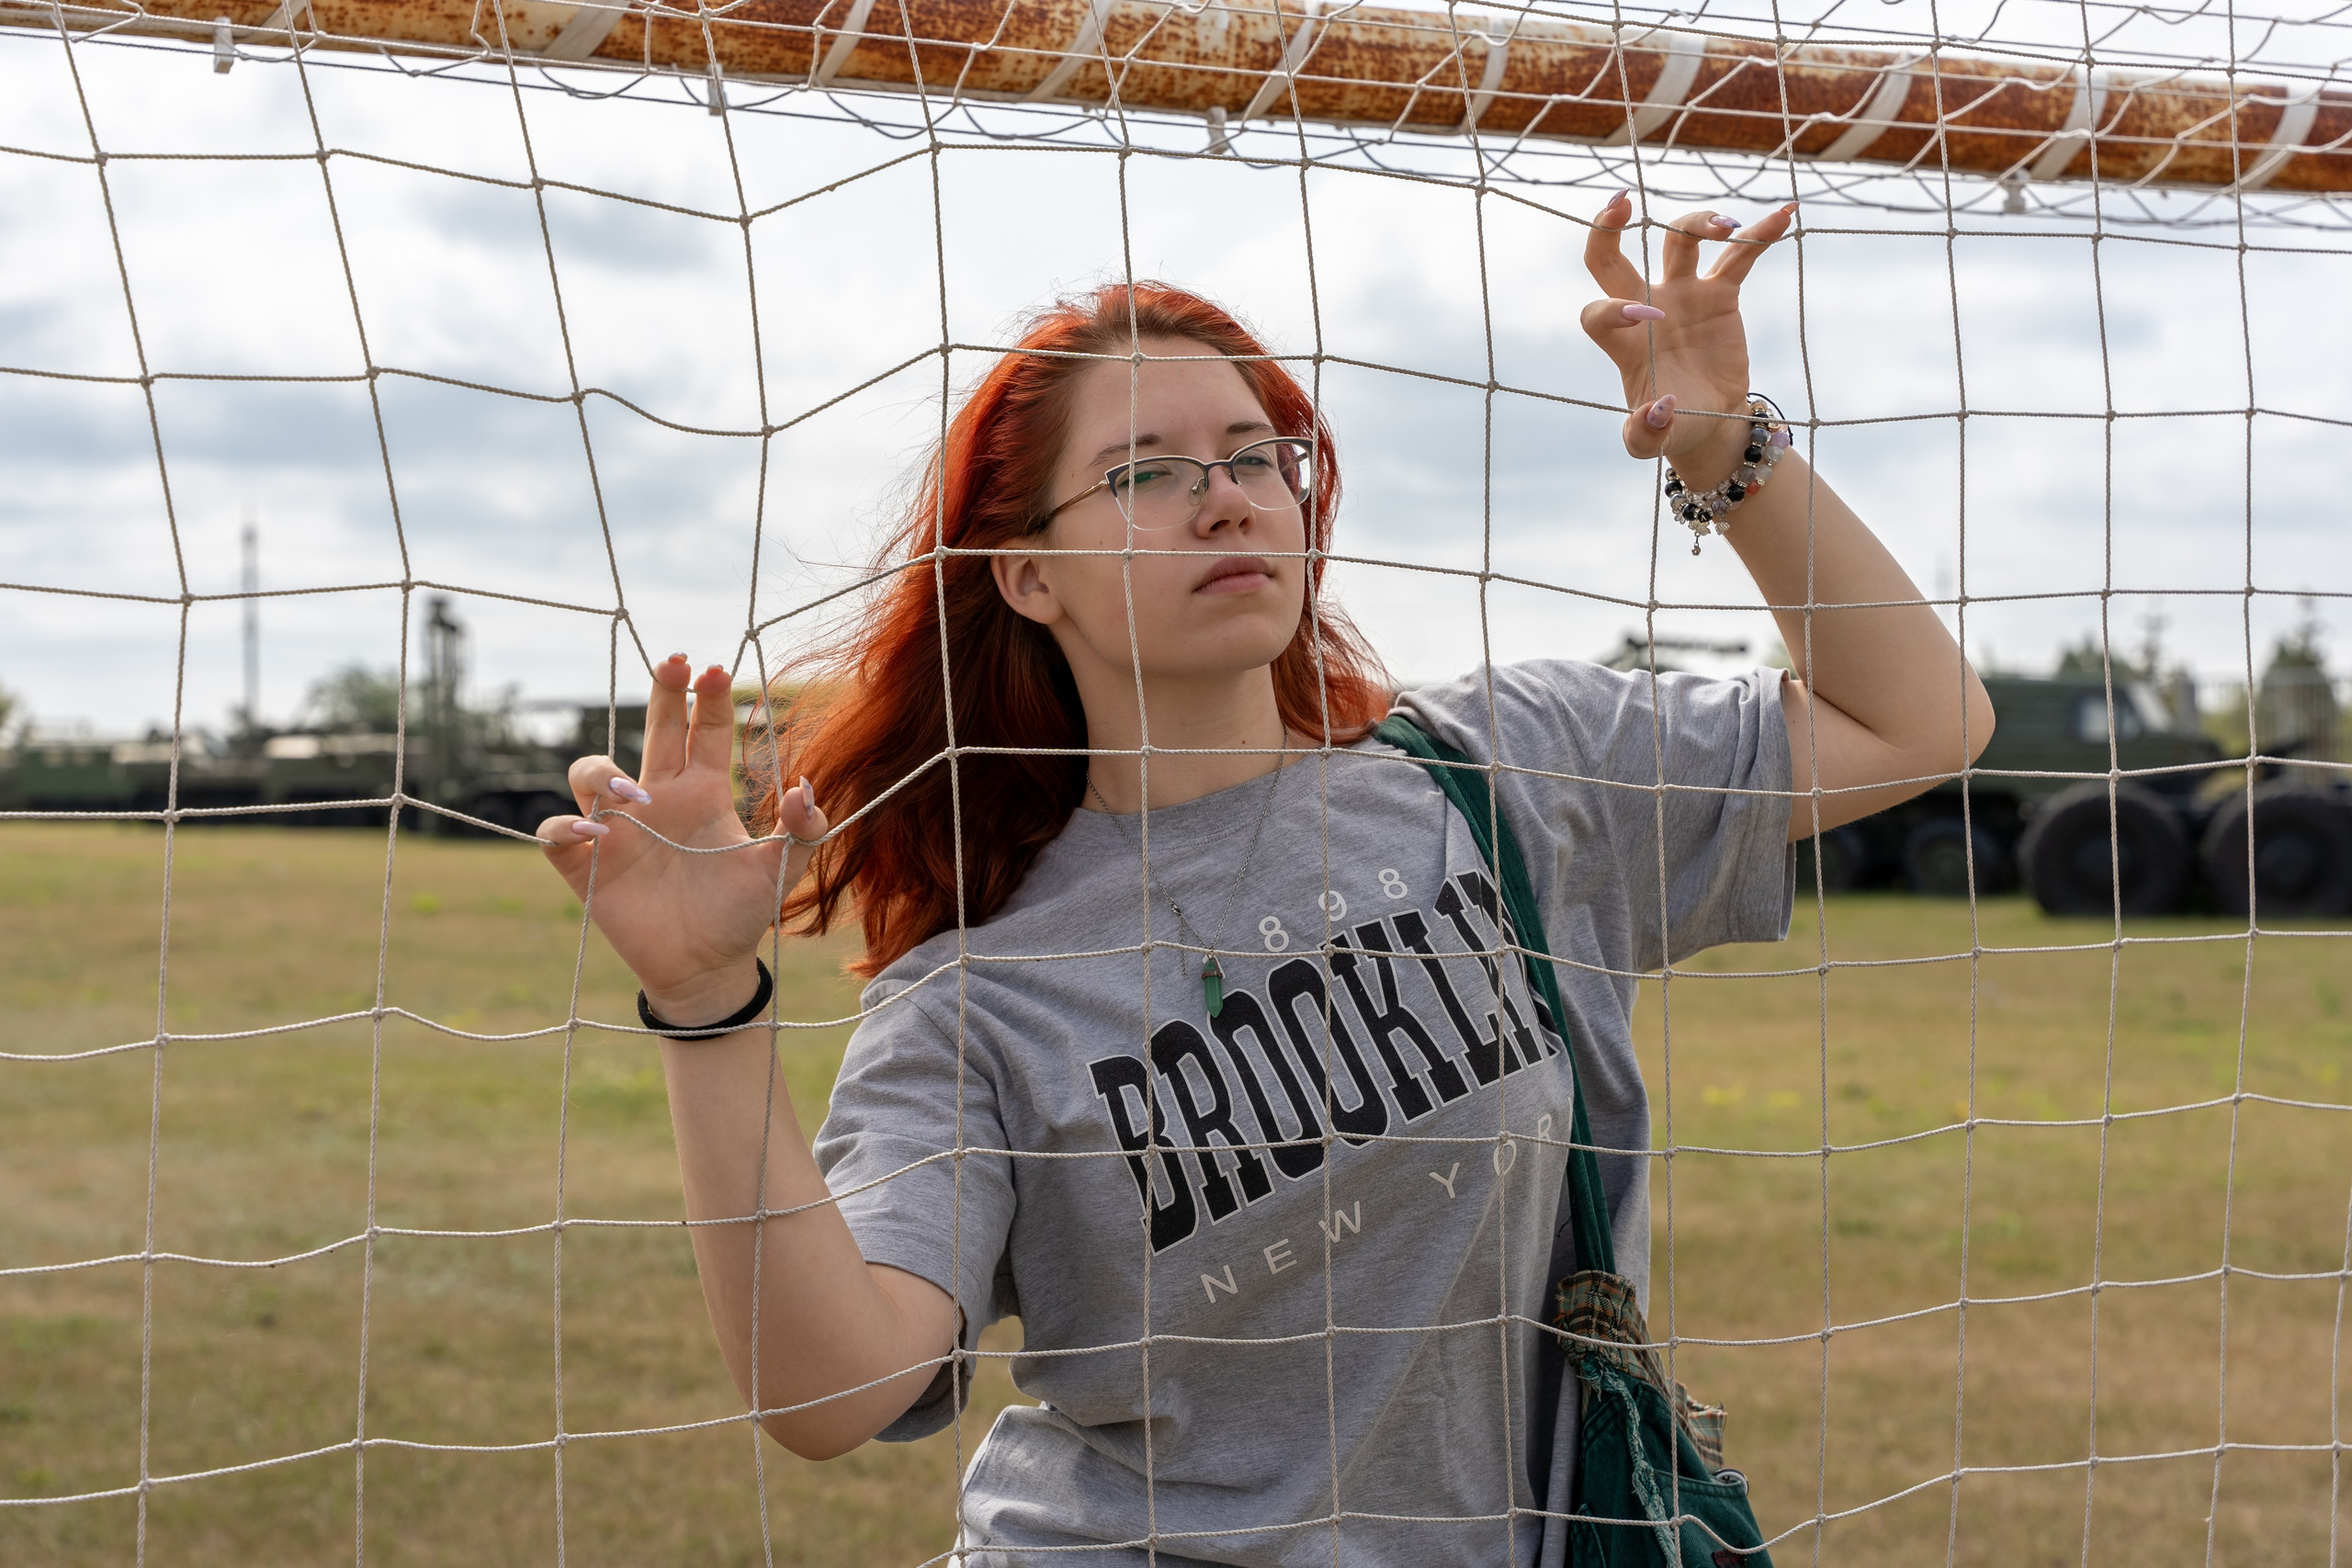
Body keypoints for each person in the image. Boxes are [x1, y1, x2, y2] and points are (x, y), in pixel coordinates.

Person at [537, 197, 1993, 1566]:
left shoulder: (1507, 772)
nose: (1226, 501)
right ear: (1027, 577)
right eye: (1143, 476)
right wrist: (708, 1002)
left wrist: (1724, 446)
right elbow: (833, 1393)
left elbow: (1920, 721)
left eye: (1255, 455)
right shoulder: (978, 998)